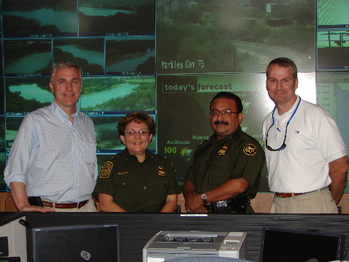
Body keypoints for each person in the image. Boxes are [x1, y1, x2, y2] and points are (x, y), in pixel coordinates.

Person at [4, 61, 98, 212]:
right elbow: (15, 170)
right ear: (52, 86)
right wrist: (23, 205)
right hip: (49, 212)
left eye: (74, 82)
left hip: (86, 210)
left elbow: (92, 170)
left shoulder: (88, 124)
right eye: (62, 82)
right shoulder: (34, 121)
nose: (69, 88)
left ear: (81, 86)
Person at [263, 57, 348, 213]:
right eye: (273, 80)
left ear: (296, 83)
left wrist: (328, 203)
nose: (279, 87)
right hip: (278, 204)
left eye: (285, 80)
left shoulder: (316, 116)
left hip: (312, 203)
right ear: (266, 84)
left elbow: (340, 167)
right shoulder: (268, 122)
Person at [183, 92, 265, 213]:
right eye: (215, 112)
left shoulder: (247, 146)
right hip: (201, 215)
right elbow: (189, 180)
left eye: (227, 112)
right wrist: (191, 199)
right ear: (210, 116)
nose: (220, 118)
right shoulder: (205, 147)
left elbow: (240, 185)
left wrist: (201, 199)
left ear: (240, 117)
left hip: (232, 217)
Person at [93, 112, 179, 213]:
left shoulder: (164, 164)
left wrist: (156, 224)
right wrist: (134, 225)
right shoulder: (112, 165)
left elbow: (172, 201)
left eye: (143, 132)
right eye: (131, 133)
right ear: (122, 138)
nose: (137, 137)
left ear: (150, 137)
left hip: (157, 225)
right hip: (124, 225)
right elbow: (105, 204)